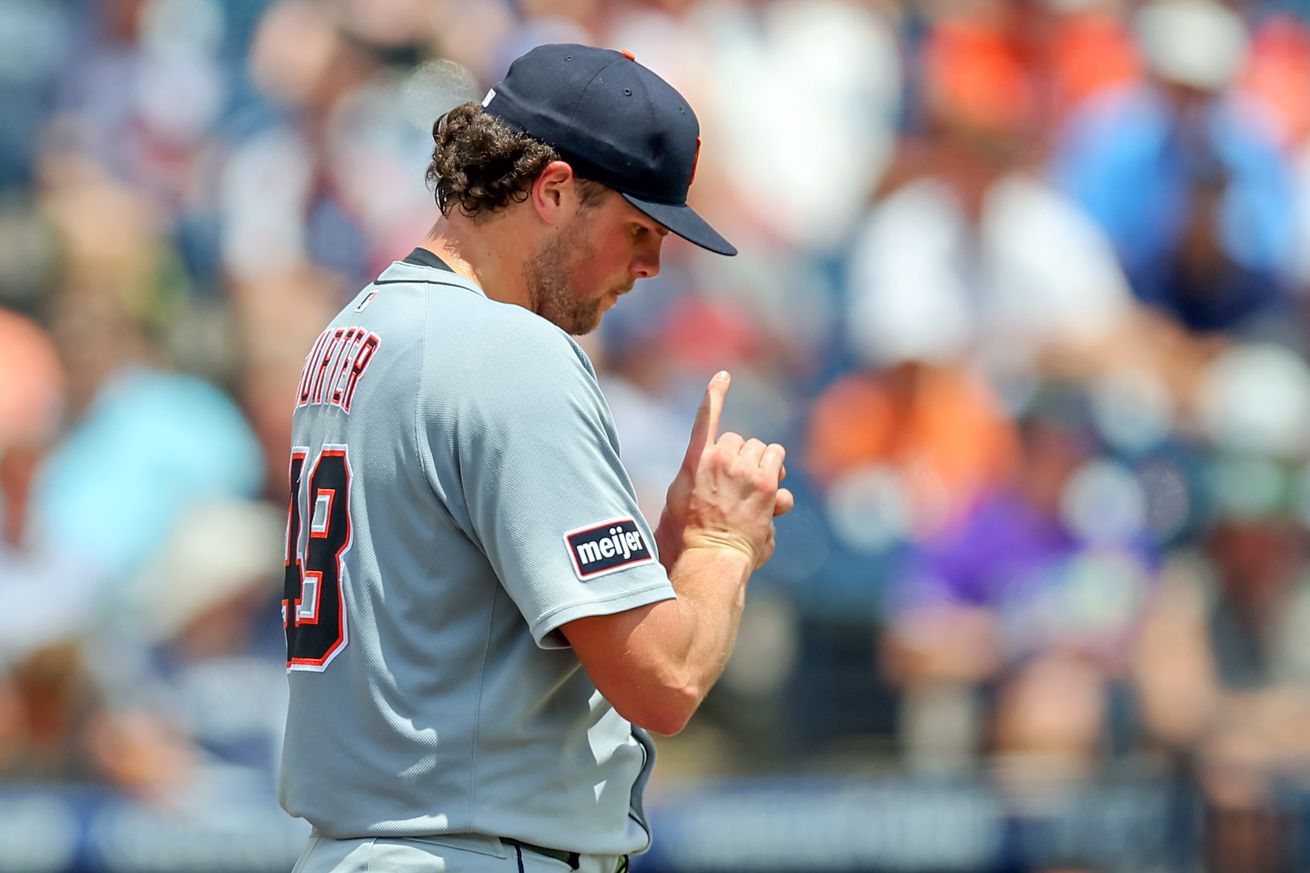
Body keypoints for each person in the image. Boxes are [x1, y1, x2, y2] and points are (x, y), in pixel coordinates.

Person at [277, 44, 793, 873]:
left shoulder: (357, 329)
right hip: (469, 849)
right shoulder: (509, 351)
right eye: (637, 228)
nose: (652, 265)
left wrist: (667, 545)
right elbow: (661, 679)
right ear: (553, 190)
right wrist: (722, 545)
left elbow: (477, 626)